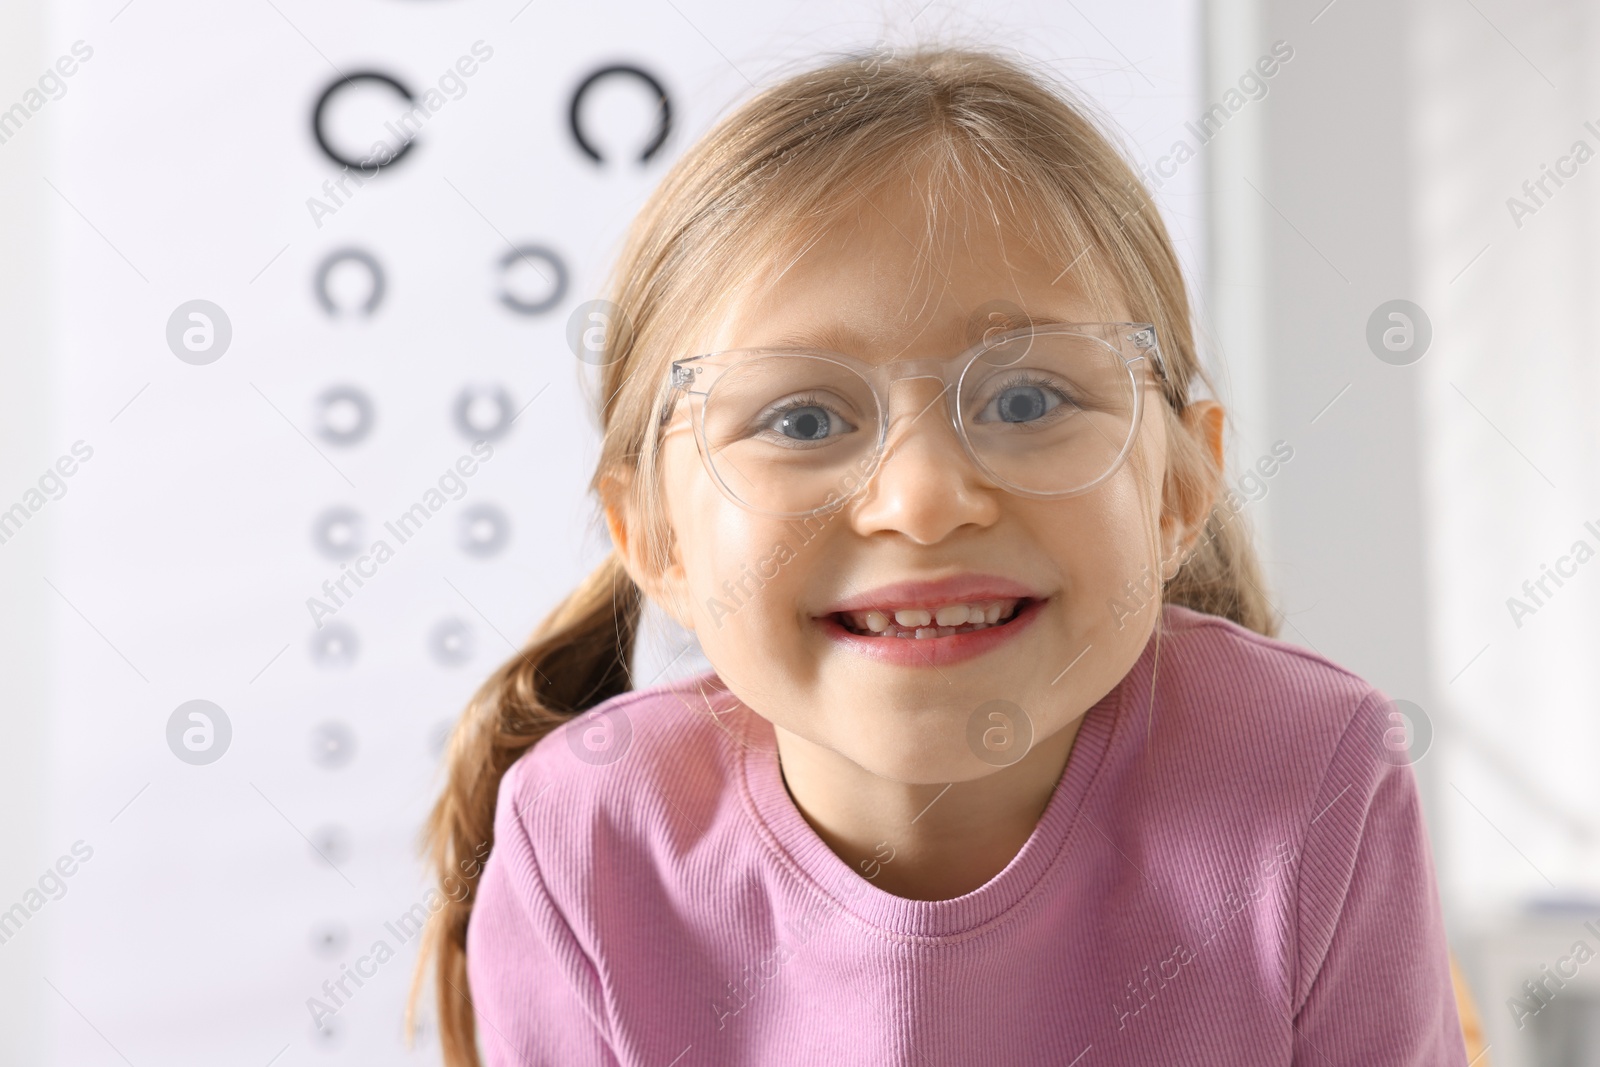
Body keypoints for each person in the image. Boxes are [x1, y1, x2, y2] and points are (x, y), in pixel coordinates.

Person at [410, 44, 1469, 1065]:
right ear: (655, 537)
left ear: (1179, 485)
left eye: (1024, 398)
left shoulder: (1315, 773)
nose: (922, 502)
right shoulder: (583, 838)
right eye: (801, 418)